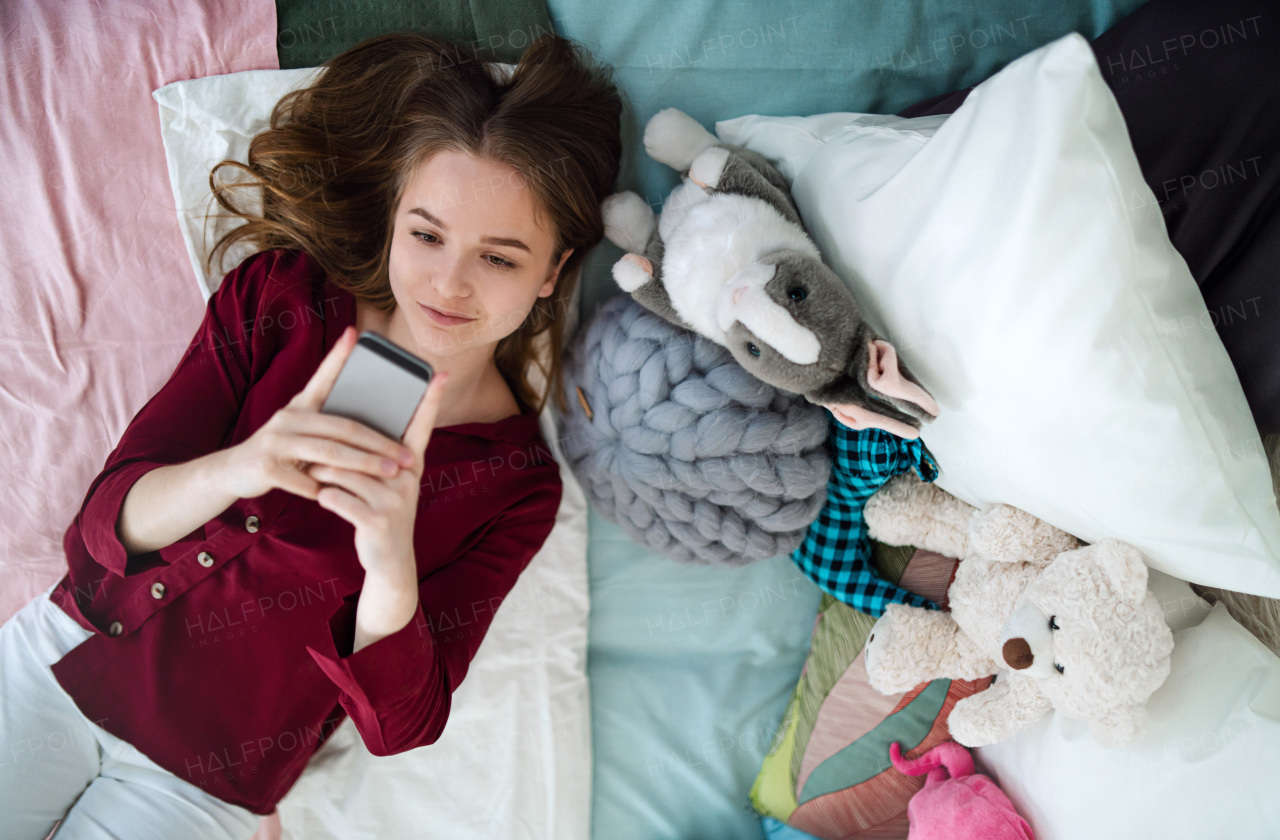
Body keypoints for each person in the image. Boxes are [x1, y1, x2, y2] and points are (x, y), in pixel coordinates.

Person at [0, 32, 622, 839]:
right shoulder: (281, 297)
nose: (447, 283)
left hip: (206, 786)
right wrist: (241, 465)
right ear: (395, 216)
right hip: (61, 665)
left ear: (551, 271)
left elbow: (401, 725)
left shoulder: (514, 483)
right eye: (427, 234)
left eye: (498, 258)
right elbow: (97, 535)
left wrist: (389, 559)